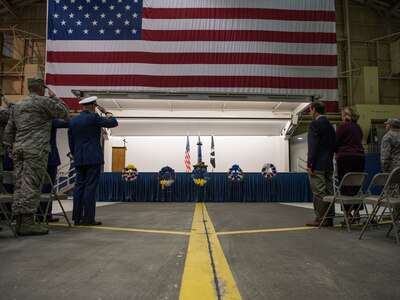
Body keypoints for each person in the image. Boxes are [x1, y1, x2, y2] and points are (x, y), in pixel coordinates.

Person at [3, 77, 69, 236]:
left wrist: (11, 148)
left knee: (19, 184)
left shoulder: (18, 105)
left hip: (19, 150)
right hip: (36, 150)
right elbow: (65, 113)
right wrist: (54, 97)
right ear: (40, 88)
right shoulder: (43, 102)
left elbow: (9, 131)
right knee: (32, 185)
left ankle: (19, 221)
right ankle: (27, 223)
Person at [68, 96, 118, 226]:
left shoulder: (73, 121)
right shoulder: (94, 117)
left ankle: (77, 218)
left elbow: (71, 141)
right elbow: (113, 122)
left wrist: (75, 154)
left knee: (79, 187)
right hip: (93, 157)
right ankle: (88, 218)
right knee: (90, 187)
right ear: (93, 106)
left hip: (79, 158)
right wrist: (106, 112)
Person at [306, 101, 336, 227]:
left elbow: (313, 146)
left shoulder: (315, 124)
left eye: (310, 110)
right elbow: (334, 144)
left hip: (317, 164)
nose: (309, 112)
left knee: (319, 192)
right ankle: (329, 219)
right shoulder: (330, 125)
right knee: (329, 191)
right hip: (328, 164)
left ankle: (320, 218)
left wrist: (310, 164)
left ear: (314, 110)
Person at [335, 106, 365, 224]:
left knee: (345, 185)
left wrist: (334, 151)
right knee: (356, 185)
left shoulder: (342, 126)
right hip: (360, 157)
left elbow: (336, 142)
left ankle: (347, 215)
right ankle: (357, 213)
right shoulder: (358, 127)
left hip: (345, 157)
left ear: (345, 115)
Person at [37, 119, 69, 222]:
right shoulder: (50, 120)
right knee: (47, 188)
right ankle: (45, 215)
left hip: (33, 158)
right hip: (49, 158)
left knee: (35, 188)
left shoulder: (30, 118)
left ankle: (37, 215)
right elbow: (68, 122)